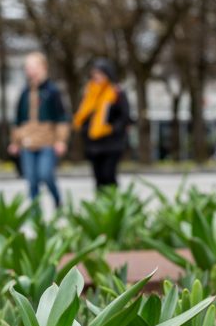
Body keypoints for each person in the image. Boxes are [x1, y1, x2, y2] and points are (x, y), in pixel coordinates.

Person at [8, 52, 68, 210]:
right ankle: (36, 216)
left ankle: (57, 200)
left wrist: (60, 140)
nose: (30, 70)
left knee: (46, 174)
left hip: (47, 141)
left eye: (33, 66)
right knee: (31, 180)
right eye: (27, 67)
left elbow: (62, 118)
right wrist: (15, 142)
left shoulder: (52, 91)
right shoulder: (25, 92)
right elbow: (18, 120)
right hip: (27, 142)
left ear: (43, 68)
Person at [72, 59, 130, 190]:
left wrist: (111, 129)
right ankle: (100, 207)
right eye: (94, 75)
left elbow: (124, 117)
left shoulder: (116, 93)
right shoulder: (89, 93)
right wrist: (86, 130)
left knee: (108, 175)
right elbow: (84, 116)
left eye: (99, 74)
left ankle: (113, 204)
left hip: (112, 143)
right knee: (98, 178)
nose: (96, 78)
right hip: (93, 143)